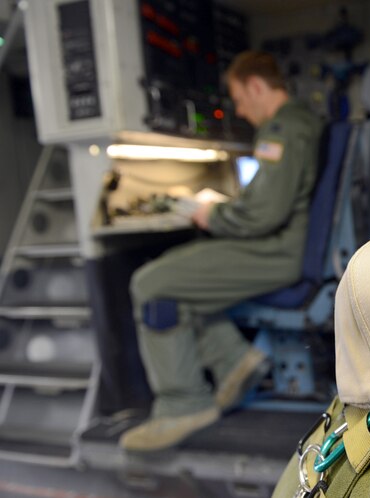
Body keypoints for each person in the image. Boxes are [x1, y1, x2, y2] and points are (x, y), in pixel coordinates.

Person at [119, 51, 323, 452]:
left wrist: (211, 215)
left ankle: (183, 405)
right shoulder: (304, 122)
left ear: (257, 86)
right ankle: (233, 361)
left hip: (276, 252)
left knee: (151, 283)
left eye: (241, 100)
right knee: (184, 270)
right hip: (285, 246)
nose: (242, 112)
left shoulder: (282, 129)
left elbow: (264, 213)